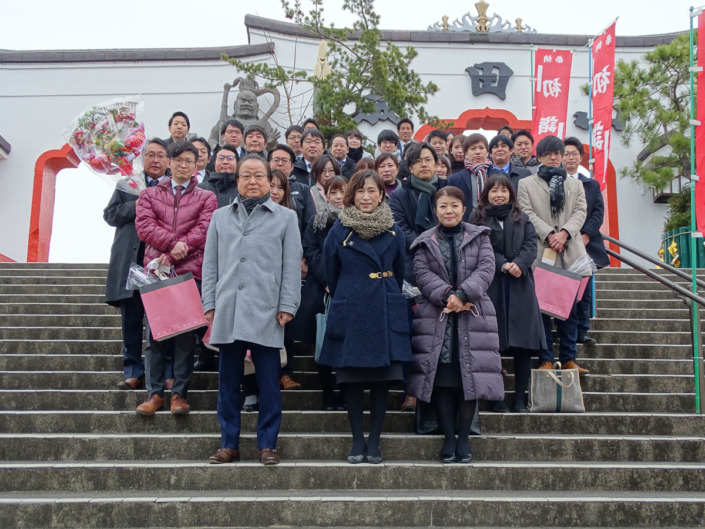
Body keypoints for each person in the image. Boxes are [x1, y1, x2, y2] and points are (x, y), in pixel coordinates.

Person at [203, 155, 302, 466]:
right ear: (237, 181)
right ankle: (228, 444)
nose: (253, 181)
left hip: (267, 309)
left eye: (259, 175)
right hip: (229, 307)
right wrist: (209, 303)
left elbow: (291, 266)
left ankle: (267, 445)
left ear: (270, 181)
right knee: (228, 383)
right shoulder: (220, 217)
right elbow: (210, 264)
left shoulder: (285, 218)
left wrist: (288, 304)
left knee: (269, 383)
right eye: (246, 175)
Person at [319, 170, 412, 464]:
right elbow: (331, 273)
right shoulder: (339, 231)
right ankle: (357, 440)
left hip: (384, 309)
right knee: (353, 382)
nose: (366, 197)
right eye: (360, 191)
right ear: (352, 195)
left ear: (382, 194)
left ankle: (375, 442)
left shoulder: (395, 231)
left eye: (372, 190)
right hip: (352, 310)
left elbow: (399, 272)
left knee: (382, 383)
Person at [408, 185, 502, 463]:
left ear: (464, 208)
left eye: (454, 205)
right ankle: (449, 438)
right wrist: (447, 296)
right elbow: (421, 273)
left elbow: (486, 268)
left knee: (468, 379)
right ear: (435, 210)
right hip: (437, 316)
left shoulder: (480, 236)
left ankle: (463, 440)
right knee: (442, 380)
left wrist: (463, 295)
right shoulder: (424, 241)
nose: (449, 211)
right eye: (443, 206)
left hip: (474, 315)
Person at [134, 141, 217, 415]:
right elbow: (144, 226)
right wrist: (172, 244)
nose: (183, 165)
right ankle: (154, 394)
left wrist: (177, 252)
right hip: (157, 271)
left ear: (196, 165)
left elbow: (204, 229)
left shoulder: (206, 197)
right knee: (155, 336)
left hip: (189, 272)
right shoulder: (148, 194)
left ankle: (179, 394)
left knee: (185, 337)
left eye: (189, 161)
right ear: (169, 162)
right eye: (178, 160)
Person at [471, 174, 547, 412]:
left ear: (510, 194)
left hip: (520, 285)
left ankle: (521, 398)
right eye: (494, 190)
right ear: (486, 194)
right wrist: (502, 263)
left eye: (503, 190)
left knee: (523, 345)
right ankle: (496, 398)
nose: (499, 195)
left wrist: (520, 264)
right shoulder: (478, 218)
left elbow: (531, 245)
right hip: (492, 285)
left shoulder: (522, 217)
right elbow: (478, 247)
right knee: (492, 345)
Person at [517, 135, 590, 374]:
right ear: (539, 157)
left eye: (557, 153)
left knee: (570, 309)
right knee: (542, 310)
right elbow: (526, 212)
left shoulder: (575, 184)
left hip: (570, 253)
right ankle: (546, 358)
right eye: (548, 154)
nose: (553, 157)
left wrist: (564, 233)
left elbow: (580, 211)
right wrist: (549, 234)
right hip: (542, 251)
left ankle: (569, 358)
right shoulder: (526, 184)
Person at [104, 138, 172, 390]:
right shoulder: (128, 184)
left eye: (161, 155)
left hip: (160, 262)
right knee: (131, 319)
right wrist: (137, 203)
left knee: (164, 320)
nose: (155, 160)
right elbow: (110, 214)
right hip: (131, 260)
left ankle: (166, 371)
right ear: (142, 158)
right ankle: (133, 370)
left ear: (168, 161)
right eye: (150, 155)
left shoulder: (174, 186)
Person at [302, 175, 347, 409]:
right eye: (333, 192)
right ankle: (327, 393)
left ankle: (344, 393)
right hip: (321, 289)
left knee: (346, 344)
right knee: (322, 341)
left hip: (348, 289)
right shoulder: (316, 220)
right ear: (326, 195)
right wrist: (328, 280)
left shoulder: (357, 220)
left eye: (342, 192)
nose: (338, 197)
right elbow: (311, 251)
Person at [563, 137, 610, 345]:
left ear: (580, 158)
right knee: (563, 289)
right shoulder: (554, 183)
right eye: (566, 154)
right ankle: (564, 329)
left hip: (585, 245)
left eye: (574, 154)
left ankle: (582, 330)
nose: (570, 157)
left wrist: (587, 234)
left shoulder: (591, 185)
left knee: (584, 291)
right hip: (561, 243)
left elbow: (598, 212)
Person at [448, 133, 490, 215]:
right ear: (466, 154)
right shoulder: (455, 179)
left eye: (481, 148)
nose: (478, 152)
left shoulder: (499, 175)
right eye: (473, 148)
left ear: (487, 152)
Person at [305, 153, 341, 223]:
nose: (327, 175)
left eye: (331, 170)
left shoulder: (345, 190)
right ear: (316, 172)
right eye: (323, 171)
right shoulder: (311, 192)